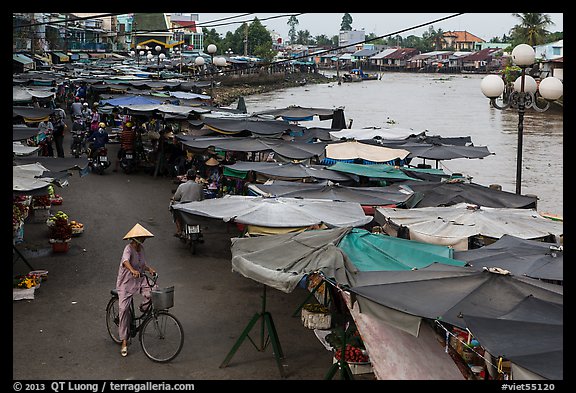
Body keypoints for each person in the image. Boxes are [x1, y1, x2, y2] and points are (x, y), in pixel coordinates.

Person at [116, 223, 157, 357]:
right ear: (136, 238)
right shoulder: (128, 248)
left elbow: (142, 264)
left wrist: (149, 269)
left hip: (139, 279)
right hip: (126, 282)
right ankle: (124, 341)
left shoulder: (142, 248)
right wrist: (132, 270)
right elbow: (125, 262)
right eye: (142, 237)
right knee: (123, 310)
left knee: (154, 290)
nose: (144, 239)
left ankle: (143, 308)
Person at [170, 169, 204, 237]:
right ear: (195, 178)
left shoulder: (182, 186)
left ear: (187, 177)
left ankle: (179, 230)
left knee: (173, 207)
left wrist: (173, 199)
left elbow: (176, 198)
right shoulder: (200, 186)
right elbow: (202, 198)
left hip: (184, 208)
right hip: (196, 208)